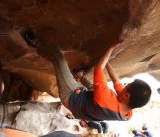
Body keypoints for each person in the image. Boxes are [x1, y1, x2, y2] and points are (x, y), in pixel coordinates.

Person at [23, 31, 152, 121]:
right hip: (86, 105)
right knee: (93, 87)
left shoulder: (107, 100)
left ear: (127, 95)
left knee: (59, 58)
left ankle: (36, 43)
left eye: (126, 86)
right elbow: (116, 81)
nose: (123, 85)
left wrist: (111, 47)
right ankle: (79, 76)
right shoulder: (128, 110)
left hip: (71, 97)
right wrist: (106, 61)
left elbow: (98, 68)